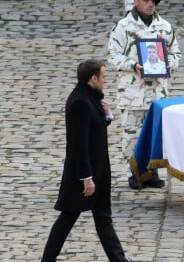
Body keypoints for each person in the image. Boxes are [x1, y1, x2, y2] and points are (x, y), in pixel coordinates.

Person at [41, 60, 131, 262]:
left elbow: (94, 130)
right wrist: (86, 177)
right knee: (68, 217)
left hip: (98, 171)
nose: (106, 80)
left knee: (103, 218)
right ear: (93, 79)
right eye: (104, 76)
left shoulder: (90, 98)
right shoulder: (80, 102)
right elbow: (78, 144)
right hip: (84, 173)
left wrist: (107, 115)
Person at [108, 0, 181, 189]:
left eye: (153, 1)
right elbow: (113, 56)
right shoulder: (123, 27)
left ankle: (151, 172)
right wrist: (133, 65)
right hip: (132, 91)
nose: (151, 5)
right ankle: (134, 174)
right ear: (136, 1)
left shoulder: (164, 27)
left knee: (155, 134)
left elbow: (176, 53)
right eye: (146, 0)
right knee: (132, 134)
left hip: (157, 92)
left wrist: (169, 64)